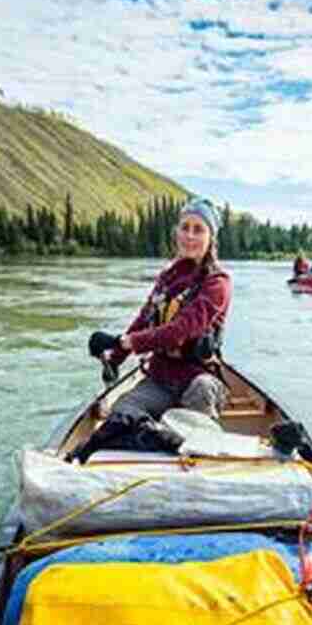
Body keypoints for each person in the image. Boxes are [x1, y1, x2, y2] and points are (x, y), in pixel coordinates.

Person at [68, 197, 232, 462]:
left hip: (199, 378)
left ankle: (183, 444)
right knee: (121, 413)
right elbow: (143, 320)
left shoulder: (218, 283)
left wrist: (123, 342)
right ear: (176, 232)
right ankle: (166, 438)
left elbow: (179, 331)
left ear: (211, 237)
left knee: (201, 390)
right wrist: (114, 356)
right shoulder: (167, 279)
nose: (189, 236)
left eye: (198, 229)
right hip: (160, 378)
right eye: (185, 227)